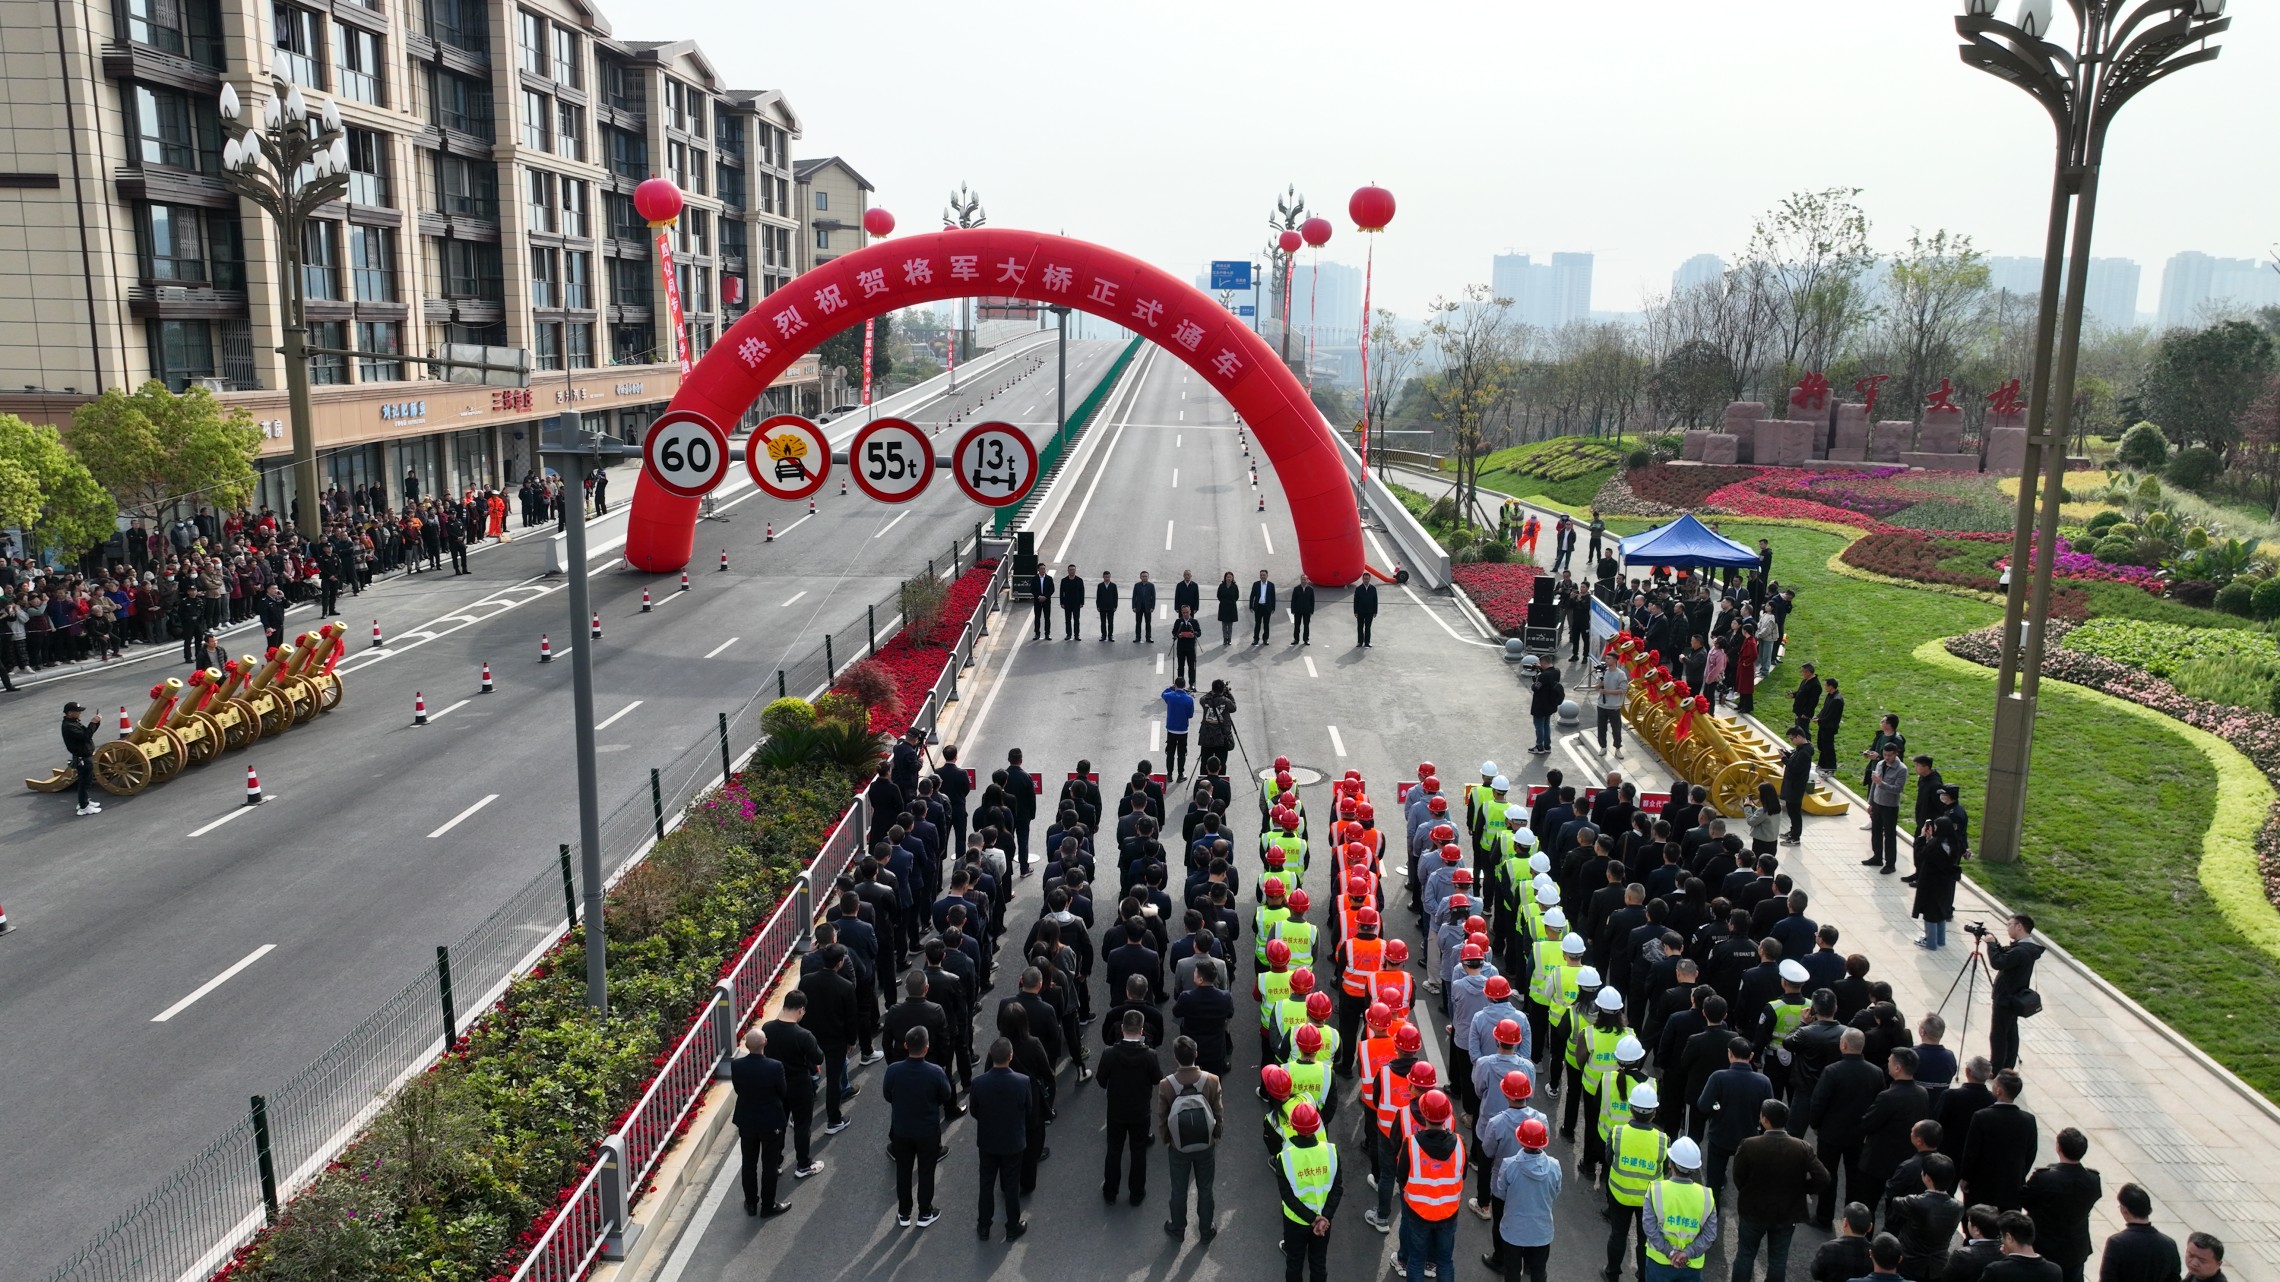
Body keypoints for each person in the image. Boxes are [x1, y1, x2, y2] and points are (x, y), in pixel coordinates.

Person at [1730, 1099, 1826, 1282]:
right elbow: (1823, 1177)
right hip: (1786, 1213)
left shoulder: (1749, 1145)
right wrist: (1803, 1190)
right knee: (1778, 1260)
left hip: (1753, 1210)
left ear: (1765, 1119)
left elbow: (1738, 1176)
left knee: (1745, 1255)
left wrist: (1748, 1190)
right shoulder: (1802, 1147)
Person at [882, 1027, 953, 1228]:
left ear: (906, 1046)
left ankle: (904, 1213)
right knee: (926, 1171)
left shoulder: (893, 1070)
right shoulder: (936, 1072)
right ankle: (925, 1212)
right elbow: (946, 1095)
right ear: (926, 1048)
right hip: (927, 1131)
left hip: (902, 1130)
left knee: (903, 1171)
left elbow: (887, 1095)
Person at [1157, 1034, 1224, 1241]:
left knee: (1179, 1189)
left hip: (1179, 1146)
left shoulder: (1166, 1084)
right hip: (1206, 1144)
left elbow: (1163, 1117)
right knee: (1205, 1188)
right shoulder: (1212, 1080)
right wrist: (1215, 1135)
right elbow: (1218, 1112)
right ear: (1196, 1054)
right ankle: (1206, 1229)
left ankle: (1178, 1229)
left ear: (1175, 1057)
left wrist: (1168, 1140)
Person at [1397, 1089, 1466, 1282]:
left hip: (1418, 1213)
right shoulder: (1459, 1143)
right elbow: (1463, 1174)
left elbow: (1401, 1177)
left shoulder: (1411, 1144)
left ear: (1423, 1114)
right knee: (1444, 1261)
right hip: (1448, 1213)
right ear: (1447, 1116)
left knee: (1416, 1260)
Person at [969, 1037, 1034, 1241]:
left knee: (986, 1184)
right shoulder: (1022, 1082)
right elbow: (1028, 1109)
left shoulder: (979, 1083)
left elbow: (974, 1111)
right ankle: (1012, 1226)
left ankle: (984, 1226)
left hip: (988, 1141)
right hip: (1013, 1141)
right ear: (1010, 1056)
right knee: (1011, 1185)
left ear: (991, 1056)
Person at [1097, 1009, 1162, 1204]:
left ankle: (1110, 1191)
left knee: (1114, 1150)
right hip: (1140, 1111)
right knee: (1138, 1151)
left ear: (1122, 1028)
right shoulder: (1150, 1055)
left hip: (1116, 1110)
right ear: (1141, 1031)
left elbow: (1101, 1080)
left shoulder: (1109, 1053)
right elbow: (1156, 1079)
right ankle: (1136, 1193)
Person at [2020, 1128, 2101, 1282]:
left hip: (2044, 1246)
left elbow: (2024, 1199)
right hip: (2076, 1247)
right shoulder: (2093, 1179)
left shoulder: (2044, 1178)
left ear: (2058, 1147)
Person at [761, 991, 825, 1180]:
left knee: (778, 1125)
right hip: (799, 1086)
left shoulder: (767, 1028)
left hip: (776, 1085)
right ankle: (803, 1164)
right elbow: (818, 1058)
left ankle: (775, 1163)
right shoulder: (804, 1035)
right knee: (802, 1125)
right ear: (801, 1010)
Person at [798, 944, 860, 1134]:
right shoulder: (845, 986)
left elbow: (801, 1008)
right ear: (840, 963)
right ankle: (833, 1120)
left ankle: (797, 1116)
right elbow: (851, 1017)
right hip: (836, 1039)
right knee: (834, 1080)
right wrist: (851, 1040)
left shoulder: (806, 981)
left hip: (810, 1036)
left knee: (803, 1075)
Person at [731, 1028, 793, 1218]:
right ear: (765, 1042)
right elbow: (783, 1092)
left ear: (746, 1045)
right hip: (770, 1121)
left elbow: (738, 1089)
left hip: (747, 1120)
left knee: (748, 1163)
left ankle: (751, 1203)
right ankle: (768, 1205)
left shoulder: (737, 1065)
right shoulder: (775, 1066)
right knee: (769, 1165)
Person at [1492, 1116, 1561, 1282]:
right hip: (1541, 1230)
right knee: (1539, 1271)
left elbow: (1501, 1192)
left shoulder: (1509, 1165)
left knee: (1512, 1271)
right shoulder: (1554, 1166)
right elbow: (1555, 1192)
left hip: (1513, 1229)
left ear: (1520, 1140)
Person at [1277, 1101, 1341, 1282]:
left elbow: (1287, 1197)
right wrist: (1324, 1218)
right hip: (1324, 1220)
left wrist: (1312, 1219)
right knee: (1318, 1263)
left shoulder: (1285, 1158)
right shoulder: (1331, 1152)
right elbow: (1337, 1189)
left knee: (1294, 1263)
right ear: (1317, 1125)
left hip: (1295, 1221)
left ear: (1294, 1126)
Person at [1959, 1070, 2036, 1211]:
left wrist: (1966, 1177)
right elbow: (2031, 1153)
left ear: (1999, 1090)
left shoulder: (1982, 1116)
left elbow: (1971, 1151)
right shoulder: (2028, 1120)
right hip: (2011, 1186)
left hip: (1982, 1184)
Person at [1644, 1136, 1719, 1280]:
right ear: (1694, 1169)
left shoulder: (1656, 1190)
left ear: (1670, 1163)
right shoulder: (1707, 1196)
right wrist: (1687, 1253)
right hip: (1691, 1265)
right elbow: (1709, 1235)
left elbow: (1649, 1227)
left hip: (1659, 1262)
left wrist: (1670, 1252)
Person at [1888, 1154, 1963, 1280]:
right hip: (1938, 1264)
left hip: (1910, 1262)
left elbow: (1895, 1201)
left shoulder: (1915, 1202)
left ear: (1927, 1177)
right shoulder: (1958, 1207)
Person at [1986, 915, 2042, 1072]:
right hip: (2014, 997)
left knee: (1999, 1035)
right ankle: (2008, 1066)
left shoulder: (2020, 951)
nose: (2007, 928)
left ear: (2019, 926)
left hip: (2005, 999)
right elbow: (2006, 957)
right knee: (2010, 1033)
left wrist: (1991, 945)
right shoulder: (2027, 948)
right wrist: (1996, 944)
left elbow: (1998, 962)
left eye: (2009, 924)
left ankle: (1996, 1069)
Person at [2097, 1184, 2181, 1282]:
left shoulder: (2116, 1243)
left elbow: (2107, 1279)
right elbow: (2174, 1278)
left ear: (2124, 1210)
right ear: (2149, 1210)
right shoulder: (2169, 1244)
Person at [1985, 1211, 2063, 1282]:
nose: (2001, 1240)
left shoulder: (1995, 1270)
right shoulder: (2055, 1271)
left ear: (2009, 1238)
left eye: (2001, 1237)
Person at [1812, 1203, 1877, 1282]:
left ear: (1845, 1222)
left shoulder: (1827, 1249)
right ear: (1870, 1227)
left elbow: (1816, 1273)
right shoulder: (1874, 1254)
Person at [59, 701, 99, 816]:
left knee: (87, 781)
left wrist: (96, 723)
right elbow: (85, 737)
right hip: (82, 758)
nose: (80, 713)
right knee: (84, 783)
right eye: (78, 712)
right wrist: (92, 723)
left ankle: (84, 802)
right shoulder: (69, 726)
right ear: (70, 713)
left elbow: (88, 733)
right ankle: (83, 807)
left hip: (85, 756)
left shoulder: (73, 722)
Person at [1778, 728, 1812, 844]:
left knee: (1794, 811)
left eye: (1792, 739)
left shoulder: (1804, 753)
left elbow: (1795, 768)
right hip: (1793, 785)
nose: (1791, 741)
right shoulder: (1801, 749)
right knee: (1791, 809)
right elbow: (1795, 760)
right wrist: (1787, 755)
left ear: (1799, 737)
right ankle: (1793, 831)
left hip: (1796, 786)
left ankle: (1795, 837)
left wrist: (1784, 759)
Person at [1591, 658, 1631, 755]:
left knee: (1616, 729)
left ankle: (1617, 748)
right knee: (1601, 728)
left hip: (1614, 707)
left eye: (1609, 658)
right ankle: (1603, 747)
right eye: (1606, 658)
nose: (1606, 660)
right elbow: (1596, 688)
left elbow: (1623, 690)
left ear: (1614, 660)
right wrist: (1600, 684)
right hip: (1602, 706)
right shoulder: (1602, 673)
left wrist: (1608, 691)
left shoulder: (1620, 674)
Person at [1162, 677, 1196, 780]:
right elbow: (1190, 715)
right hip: (1183, 730)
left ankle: (1169, 774)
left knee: (1170, 753)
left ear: (1175, 685)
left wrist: (1170, 688)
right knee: (1182, 754)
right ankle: (1180, 774)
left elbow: (1163, 694)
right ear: (1185, 686)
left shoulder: (1170, 696)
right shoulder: (1189, 699)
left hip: (1171, 729)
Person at [1172, 606, 1202, 685]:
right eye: (1183, 613)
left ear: (1190, 612)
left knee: (1191, 666)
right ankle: (1180, 684)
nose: (1185, 614)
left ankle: (1192, 684)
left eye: (1187, 612)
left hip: (1190, 647)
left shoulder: (1194, 622)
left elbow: (1199, 632)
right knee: (1180, 667)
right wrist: (1178, 635)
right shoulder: (1179, 621)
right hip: (1181, 647)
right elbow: (1174, 632)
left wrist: (1193, 634)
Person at [1058, 563, 1086, 640]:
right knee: (1067, 620)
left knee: (1076, 620)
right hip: (1067, 603)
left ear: (1075, 570)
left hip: (1076, 604)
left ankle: (1076, 635)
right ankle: (1068, 634)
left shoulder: (1079, 580)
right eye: (1070, 570)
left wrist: (1082, 602)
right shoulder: (1064, 580)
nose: (1072, 571)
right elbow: (1061, 592)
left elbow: (1082, 592)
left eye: (1073, 570)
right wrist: (1062, 603)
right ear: (1068, 571)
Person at [1251, 569, 1277, 645]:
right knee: (1257, 624)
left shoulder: (1271, 585)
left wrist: (1273, 608)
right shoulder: (1256, 584)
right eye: (1261, 575)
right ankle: (1256, 639)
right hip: (1258, 607)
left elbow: (1273, 597)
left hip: (1267, 607)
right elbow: (1252, 596)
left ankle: (1265, 639)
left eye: (1264, 575)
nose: (1262, 576)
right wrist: (1251, 606)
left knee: (1266, 624)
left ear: (1267, 576)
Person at [1217, 571, 1242, 646]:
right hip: (1223, 607)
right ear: (1225, 578)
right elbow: (1218, 595)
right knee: (1224, 625)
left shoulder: (1235, 586)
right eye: (1227, 577)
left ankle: (1229, 639)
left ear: (1232, 578)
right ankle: (1225, 639)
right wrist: (1224, 601)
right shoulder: (1221, 586)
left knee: (1230, 625)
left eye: (1230, 577)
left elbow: (1236, 596)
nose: (1229, 578)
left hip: (1231, 608)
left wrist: (1231, 602)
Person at [1031, 565, 1056, 639]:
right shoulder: (1034, 578)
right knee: (1037, 618)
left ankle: (1047, 634)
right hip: (1037, 601)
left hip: (1046, 601)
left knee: (1047, 618)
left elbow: (1052, 589)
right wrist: (1038, 596)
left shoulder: (1049, 578)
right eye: (1041, 569)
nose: (1043, 570)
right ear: (1038, 570)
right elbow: (1032, 589)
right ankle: (1037, 634)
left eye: (1044, 569)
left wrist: (1045, 597)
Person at [1132, 570, 1157, 643]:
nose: (1144, 577)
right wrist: (1133, 606)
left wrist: (1152, 607)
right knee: (1138, 623)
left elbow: (1153, 597)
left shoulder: (1151, 585)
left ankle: (1148, 637)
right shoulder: (1137, 585)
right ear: (1140, 577)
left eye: (1146, 576)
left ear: (1148, 577)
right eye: (1143, 576)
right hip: (1138, 607)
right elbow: (1134, 597)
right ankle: (1138, 637)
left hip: (1148, 607)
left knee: (1148, 623)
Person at [1355, 575, 1380, 648]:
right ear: (1362, 579)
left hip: (1370, 611)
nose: (1366, 580)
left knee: (1368, 627)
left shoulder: (1373, 589)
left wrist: (1375, 611)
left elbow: (1375, 600)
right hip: (1360, 611)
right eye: (1364, 579)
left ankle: (1367, 642)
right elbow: (1356, 601)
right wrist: (1355, 612)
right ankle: (1360, 642)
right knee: (1360, 627)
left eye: (1367, 579)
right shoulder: (1358, 589)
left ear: (1369, 579)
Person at [1096, 569, 1120, 641]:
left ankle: (1110, 635)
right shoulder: (1100, 585)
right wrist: (1098, 606)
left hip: (1111, 607)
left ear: (1110, 577)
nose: (1107, 578)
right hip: (1102, 606)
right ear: (1103, 577)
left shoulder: (1113, 585)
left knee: (1110, 622)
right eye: (1105, 577)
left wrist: (1115, 606)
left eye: (1108, 577)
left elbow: (1115, 596)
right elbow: (1098, 596)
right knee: (1103, 622)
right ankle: (1103, 635)